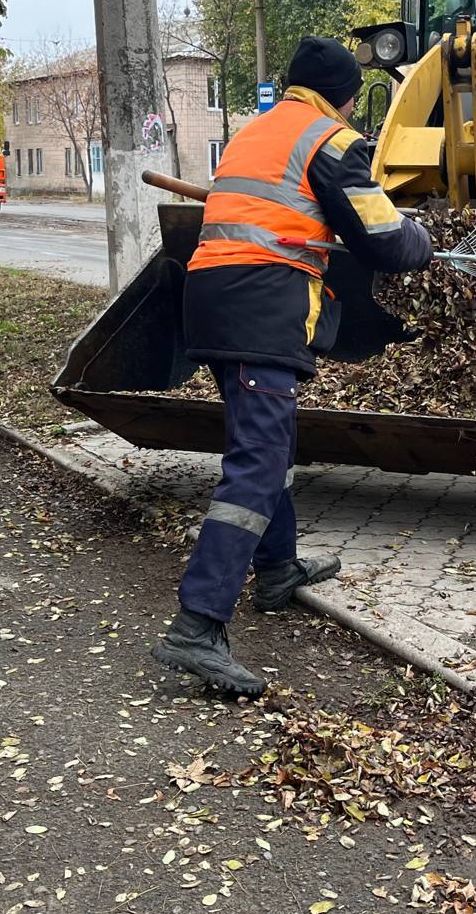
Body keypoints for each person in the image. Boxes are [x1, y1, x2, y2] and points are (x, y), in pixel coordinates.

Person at [153, 36, 433, 696]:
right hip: (261, 309)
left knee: (264, 445)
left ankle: (277, 569)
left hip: (213, 303)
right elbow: (386, 243)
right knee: (255, 463)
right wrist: (423, 241)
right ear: (345, 96)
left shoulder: (258, 132)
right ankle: (197, 625)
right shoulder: (331, 142)